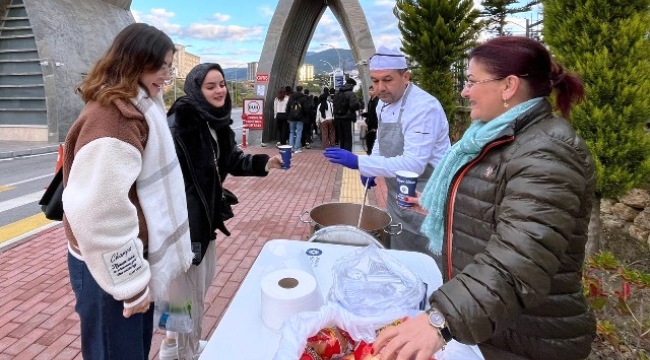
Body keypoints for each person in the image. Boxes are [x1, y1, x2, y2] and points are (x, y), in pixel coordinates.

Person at [373, 36, 596, 360]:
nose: (465, 91)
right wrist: (444, 204)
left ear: (508, 87)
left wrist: (441, 321)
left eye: (472, 81)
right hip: (489, 324)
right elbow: (495, 209)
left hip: (528, 338)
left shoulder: (549, 151)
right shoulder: (493, 138)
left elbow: (519, 259)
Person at [62, 23, 193, 359]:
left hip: (126, 261)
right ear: (135, 61)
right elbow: (98, 214)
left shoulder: (136, 107)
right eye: (161, 65)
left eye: (169, 65)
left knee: (131, 350)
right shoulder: (116, 119)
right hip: (109, 271)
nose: (167, 74)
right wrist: (131, 285)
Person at [162, 63, 283, 359]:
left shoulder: (215, 119)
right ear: (196, 89)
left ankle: (170, 345)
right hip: (184, 222)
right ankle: (185, 353)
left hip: (205, 217)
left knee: (190, 289)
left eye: (222, 84)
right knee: (189, 295)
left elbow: (230, 158)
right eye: (210, 86)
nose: (219, 91)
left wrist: (264, 163)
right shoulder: (183, 121)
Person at [324, 46, 450, 260]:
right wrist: (372, 165)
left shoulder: (423, 108)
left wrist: (360, 163)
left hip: (425, 196)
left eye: (388, 80)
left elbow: (413, 165)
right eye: (374, 80)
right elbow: (382, 143)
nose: (380, 88)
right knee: (399, 257)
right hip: (396, 198)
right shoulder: (383, 104)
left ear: (406, 76)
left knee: (428, 263)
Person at [332, 77, 360, 151]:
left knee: (341, 137)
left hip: (338, 118)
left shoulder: (337, 93)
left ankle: (342, 152)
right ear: (351, 85)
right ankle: (347, 153)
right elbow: (353, 106)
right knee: (348, 137)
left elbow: (334, 105)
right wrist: (358, 105)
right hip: (348, 118)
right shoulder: (351, 94)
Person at [286, 85, 307, 153]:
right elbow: (306, 109)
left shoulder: (291, 97)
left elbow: (288, 108)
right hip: (300, 118)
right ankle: (297, 148)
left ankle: (290, 147)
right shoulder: (303, 98)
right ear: (301, 90)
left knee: (291, 132)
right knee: (298, 132)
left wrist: (288, 117)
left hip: (291, 118)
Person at [361, 84, 379, 154]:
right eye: (369, 90)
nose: (370, 92)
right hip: (370, 125)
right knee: (369, 141)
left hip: (374, 126)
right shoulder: (370, 101)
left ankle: (371, 154)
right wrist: (365, 114)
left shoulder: (377, 101)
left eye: (372, 90)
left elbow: (377, 115)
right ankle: (369, 153)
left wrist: (376, 126)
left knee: (373, 141)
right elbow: (370, 113)